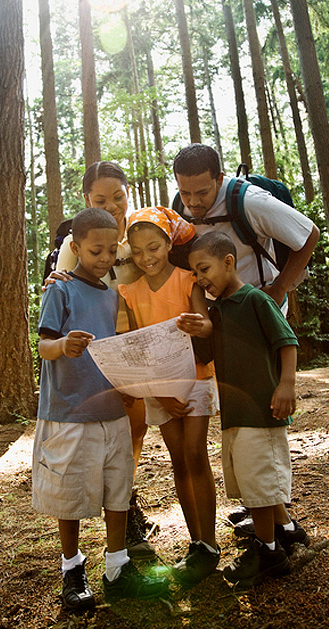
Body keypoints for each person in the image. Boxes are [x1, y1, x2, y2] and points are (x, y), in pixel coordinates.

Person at [32, 208, 169, 611]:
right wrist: (63, 346)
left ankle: (117, 568)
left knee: (117, 491)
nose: (106, 259)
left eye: (112, 251)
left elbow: (119, 348)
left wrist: (128, 386)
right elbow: (42, 345)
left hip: (112, 411)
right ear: (75, 249)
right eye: (95, 251)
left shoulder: (114, 295)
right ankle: (72, 570)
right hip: (69, 411)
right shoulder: (60, 290)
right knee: (70, 495)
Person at [185, 230, 311, 587]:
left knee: (260, 484)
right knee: (254, 484)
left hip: (262, 410)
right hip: (235, 415)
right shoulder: (218, 310)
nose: (201, 278)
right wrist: (197, 312)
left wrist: (287, 385)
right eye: (195, 273)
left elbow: (286, 342)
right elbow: (206, 354)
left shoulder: (256, 300)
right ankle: (285, 532)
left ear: (229, 262)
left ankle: (268, 551)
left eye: (204, 269)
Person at [49, 161, 156, 559]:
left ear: (129, 193)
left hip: (140, 341)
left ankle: (125, 495)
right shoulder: (75, 243)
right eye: (100, 200)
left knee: (138, 424)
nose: (111, 206)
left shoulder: (143, 231)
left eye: (118, 197)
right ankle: (121, 512)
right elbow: (64, 287)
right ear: (86, 201)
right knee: (112, 428)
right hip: (101, 345)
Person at [118, 207, 220, 587]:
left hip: (194, 380)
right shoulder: (130, 292)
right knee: (179, 461)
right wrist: (159, 392)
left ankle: (209, 543)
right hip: (158, 388)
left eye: (154, 247)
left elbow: (206, 325)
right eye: (139, 250)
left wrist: (201, 324)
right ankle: (197, 544)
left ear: (168, 244)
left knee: (196, 454)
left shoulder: (187, 280)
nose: (147, 257)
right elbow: (136, 347)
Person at [172, 144, 319, 311]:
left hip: (258, 303)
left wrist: (279, 290)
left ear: (219, 179)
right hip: (215, 309)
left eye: (202, 193)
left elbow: (310, 234)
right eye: (185, 193)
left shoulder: (250, 201)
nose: (193, 202)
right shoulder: (178, 207)